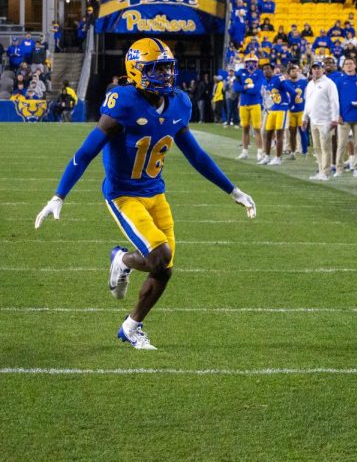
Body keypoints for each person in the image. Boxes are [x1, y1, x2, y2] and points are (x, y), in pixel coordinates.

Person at [33, 39, 256, 350]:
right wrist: (58, 196)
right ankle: (123, 259)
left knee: (164, 268)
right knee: (159, 256)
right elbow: (85, 153)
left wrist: (233, 190)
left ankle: (131, 325)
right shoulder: (122, 102)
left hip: (156, 193)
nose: (165, 74)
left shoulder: (179, 102)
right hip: (123, 194)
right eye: (156, 68)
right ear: (136, 71)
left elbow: (197, 156)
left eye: (168, 67)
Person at [302, 60, 340, 180]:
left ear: (323, 70)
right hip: (313, 120)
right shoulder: (310, 84)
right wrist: (305, 118)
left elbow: (334, 102)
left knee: (325, 147)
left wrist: (334, 118)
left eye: (318, 68)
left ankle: (325, 172)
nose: (316, 70)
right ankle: (320, 170)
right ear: (311, 70)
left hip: (325, 121)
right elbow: (308, 102)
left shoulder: (329, 83)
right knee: (317, 148)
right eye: (314, 68)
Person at [230, 57, 265, 161]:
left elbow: (256, 89)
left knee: (257, 128)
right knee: (245, 128)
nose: (250, 64)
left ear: (256, 63)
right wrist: (246, 87)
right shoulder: (241, 73)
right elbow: (236, 88)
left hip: (255, 103)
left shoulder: (259, 73)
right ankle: (244, 151)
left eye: (253, 62)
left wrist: (244, 88)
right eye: (248, 62)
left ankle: (260, 152)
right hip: (244, 104)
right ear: (245, 63)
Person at [283, 64, 309, 159]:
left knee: (303, 132)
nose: (295, 72)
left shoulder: (303, 82)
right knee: (292, 133)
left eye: (296, 71)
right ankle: (293, 152)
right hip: (290, 111)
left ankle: (305, 152)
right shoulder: (285, 83)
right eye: (292, 71)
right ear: (289, 73)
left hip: (301, 110)